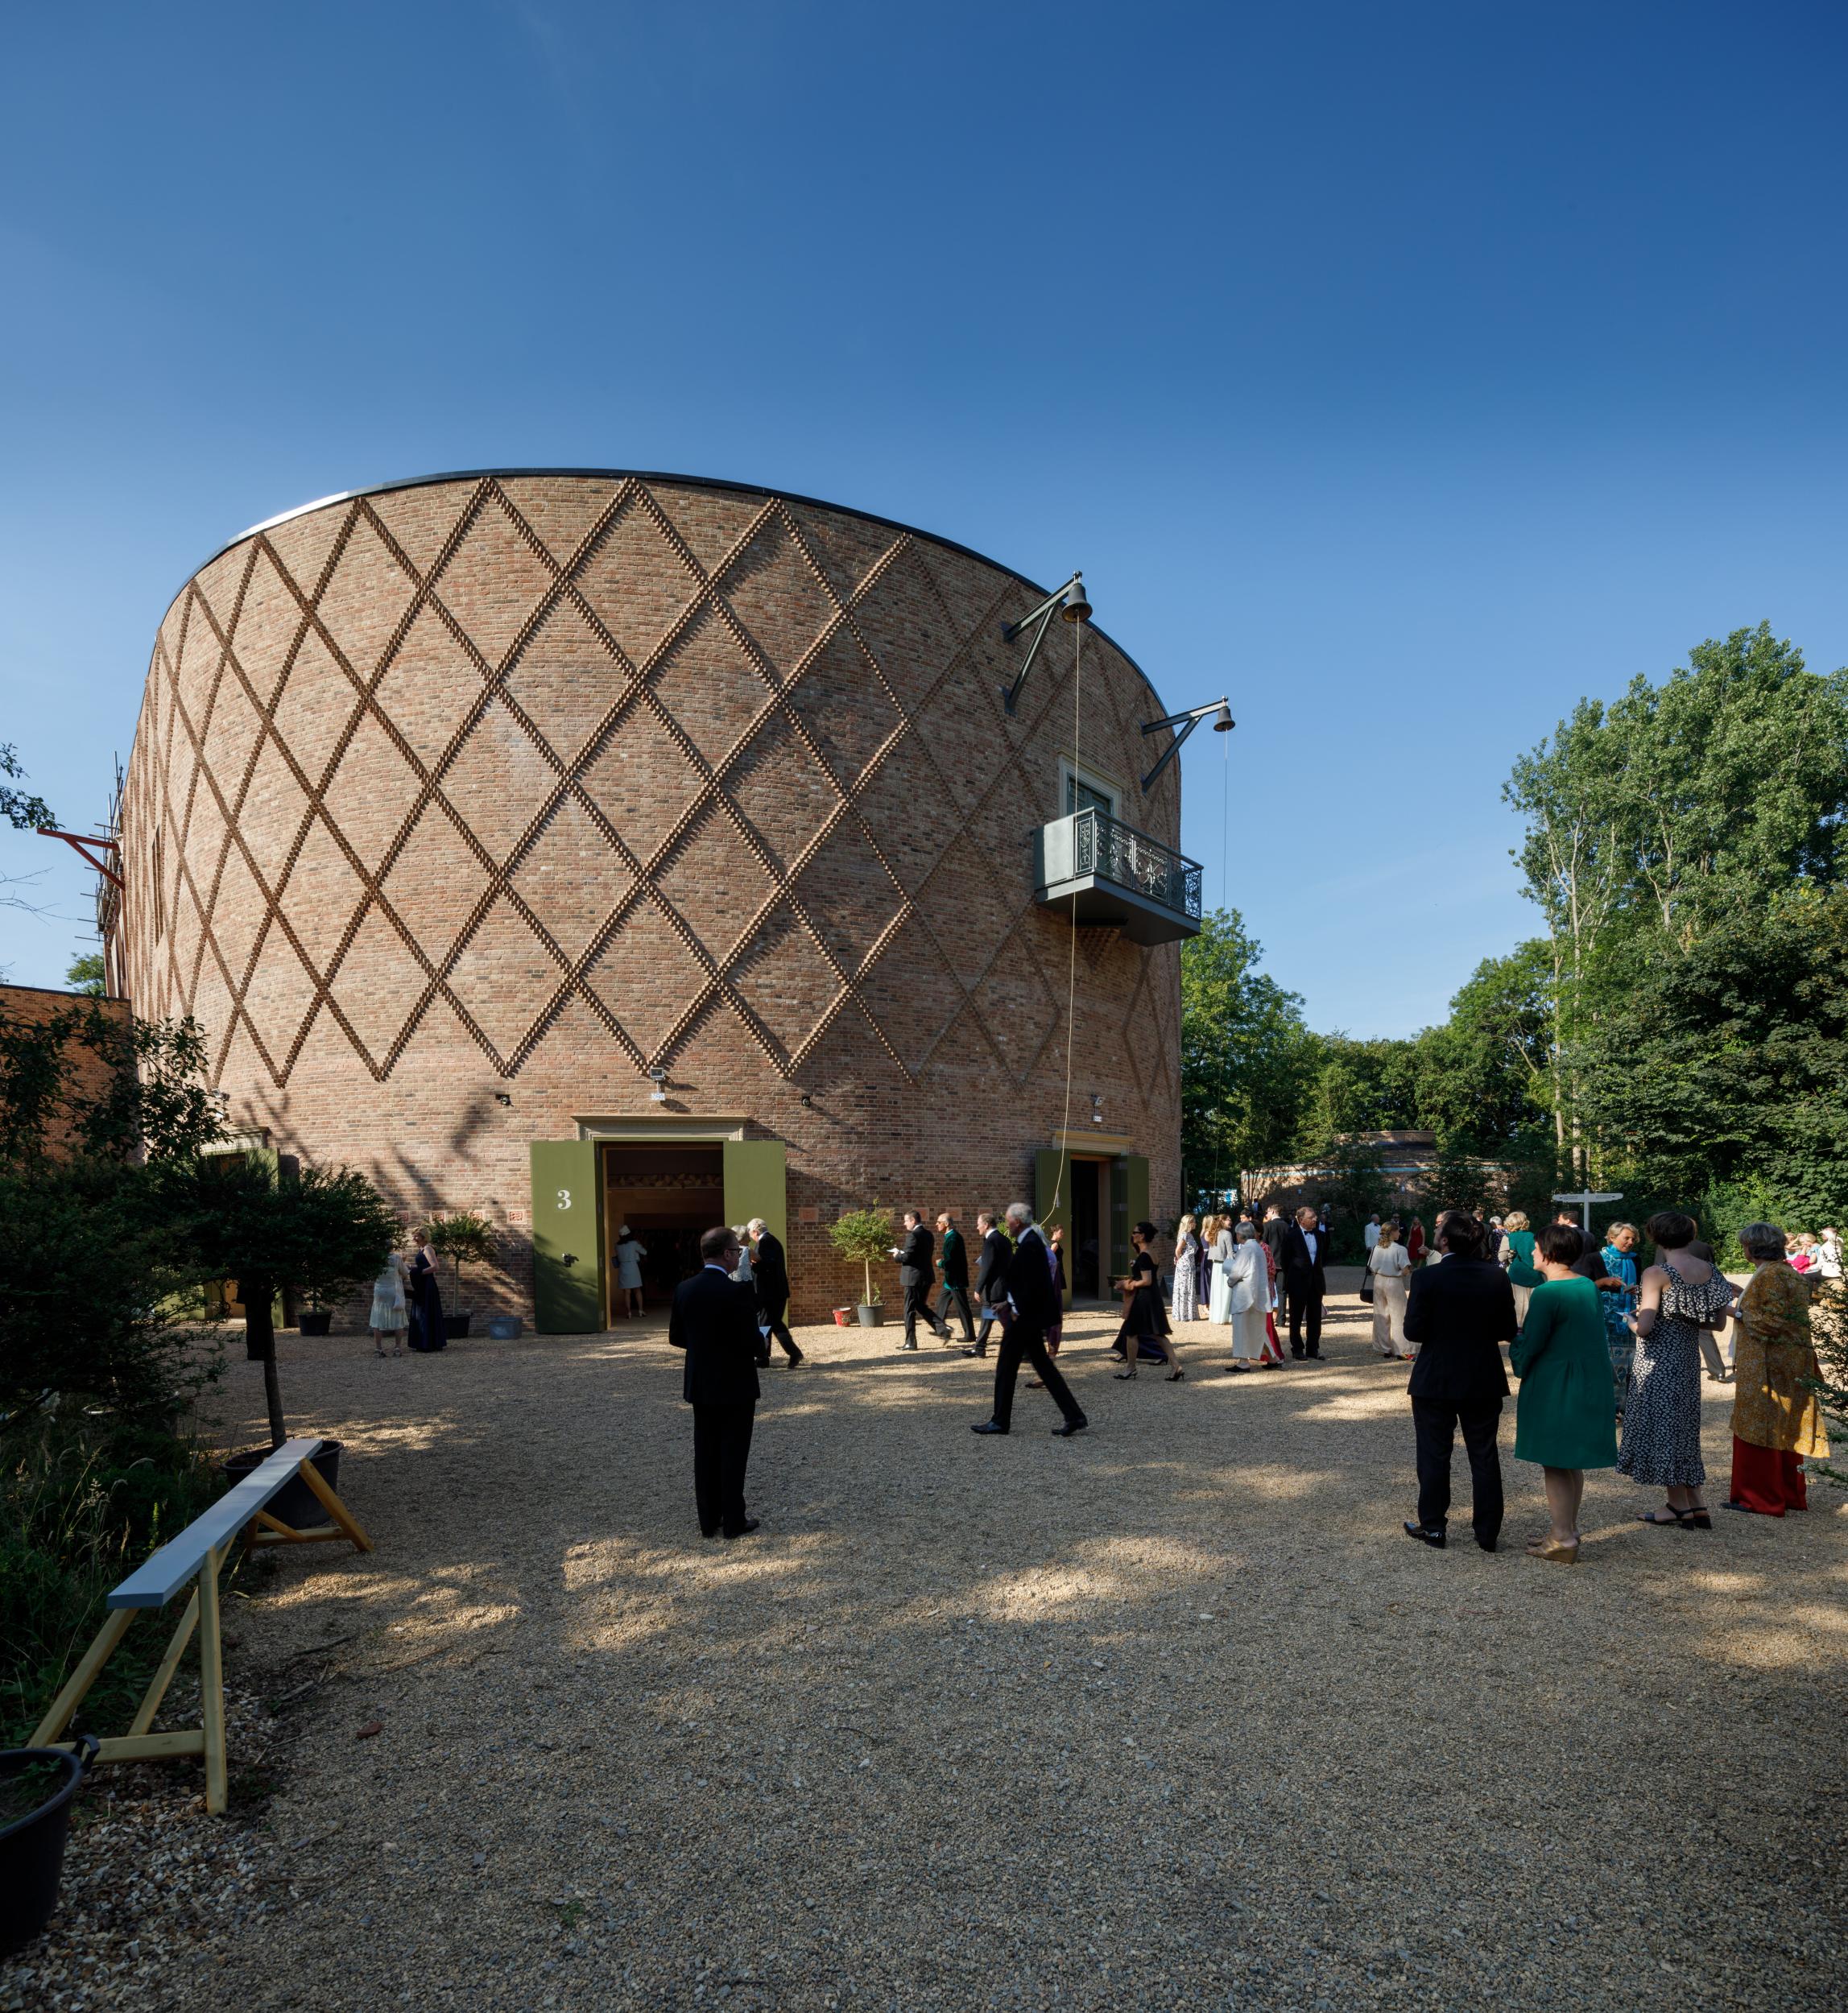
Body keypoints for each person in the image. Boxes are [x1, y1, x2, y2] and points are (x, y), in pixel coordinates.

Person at [1400, 1211, 1515, 1551]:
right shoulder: (1496, 1277)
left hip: (1436, 1375)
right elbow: (1507, 1330)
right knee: (1484, 1453)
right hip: (1482, 1373)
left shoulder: (1428, 1278)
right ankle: (1487, 1533)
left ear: (1446, 1241)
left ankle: (1434, 1527)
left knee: (1434, 1453)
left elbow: (1413, 1331)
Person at [1510, 1224, 1619, 1563]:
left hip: (1557, 1381)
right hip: (1586, 1376)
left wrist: (1516, 1353)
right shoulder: (1585, 1284)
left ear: (1549, 1252)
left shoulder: (1548, 1293)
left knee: (1555, 1459)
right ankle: (1566, 1528)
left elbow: (1533, 1342)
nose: (1531, 1252)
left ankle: (1561, 1539)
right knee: (1570, 1460)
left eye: (1536, 1247)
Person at [1619, 1210, 1734, 1527]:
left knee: (1664, 1428)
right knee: (1683, 1428)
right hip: (1686, 1358)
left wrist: (1631, 1319)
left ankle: (1678, 1506)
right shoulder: (1709, 1269)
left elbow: (1644, 1328)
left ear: (1655, 1236)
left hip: (1657, 1360)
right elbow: (1718, 1322)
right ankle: (1696, 1503)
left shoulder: (1657, 1273)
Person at [1726, 1222, 1830, 1517]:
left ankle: (1760, 1498)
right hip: (1787, 1360)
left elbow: (1770, 1323)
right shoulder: (1786, 1272)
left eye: (1745, 1245)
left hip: (1767, 1364)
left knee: (1760, 1426)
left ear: (1753, 1248)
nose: (1743, 1249)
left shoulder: (1770, 1274)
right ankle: (1787, 1493)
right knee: (1784, 1427)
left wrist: (1733, 1310)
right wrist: (1742, 1294)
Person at [668, 1226, 763, 1539]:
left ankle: (708, 1520)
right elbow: (753, 1342)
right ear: (725, 1254)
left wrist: (705, 1347)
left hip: (701, 1382)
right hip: (735, 1383)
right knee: (733, 1453)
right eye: (736, 1251)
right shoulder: (737, 1291)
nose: (738, 1256)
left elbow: (677, 1337)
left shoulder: (684, 1289)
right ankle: (734, 1521)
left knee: (706, 1452)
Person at [971, 1204, 1088, 1437]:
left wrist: (1015, 1308)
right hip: (1029, 1316)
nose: (1007, 1225)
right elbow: (1025, 1282)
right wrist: (1009, 1303)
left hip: (1025, 1318)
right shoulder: (1030, 1241)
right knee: (1044, 1367)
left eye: (1008, 1221)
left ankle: (1000, 1421)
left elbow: (1033, 1285)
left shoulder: (1030, 1244)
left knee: (1006, 1367)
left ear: (1018, 1222)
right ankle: (1074, 1416)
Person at [1113, 1221, 1184, 1381]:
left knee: (1131, 1333)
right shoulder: (1150, 1253)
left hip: (1143, 1299)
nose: (1132, 1235)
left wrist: (1127, 1284)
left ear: (1142, 1235)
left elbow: (1147, 1280)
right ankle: (1176, 1366)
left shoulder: (1145, 1256)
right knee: (1158, 1333)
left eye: (1135, 1232)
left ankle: (1130, 1368)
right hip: (1153, 1297)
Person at [748, 1218, 802, 1368]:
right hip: (776, 1292)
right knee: (775, 1324)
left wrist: (753, 1265)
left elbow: (768, 1265)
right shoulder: (772, 1241)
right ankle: (790, 1354)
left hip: (770, 1293)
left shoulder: (766, 1242)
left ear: (755, 1231)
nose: (750, 1236)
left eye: (750, 1232)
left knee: (765, 1324)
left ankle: (763, 1358)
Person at [1280, 1206, 1328, 1359]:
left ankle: (1313, 1348)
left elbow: (1323, 1257)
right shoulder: (1291, 1236)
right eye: (1311, 1217)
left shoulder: (1321, 1236)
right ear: (1301, 1220)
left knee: (1315, 1318)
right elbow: (1285, 1261)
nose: (1315, 1219)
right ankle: (1297, 1349)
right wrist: (1293, 1278)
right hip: (1297, 1282)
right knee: (1296, 1318)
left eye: (1315, 1217)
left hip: (1316, 1282)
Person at [894, 1209, 945, 1350]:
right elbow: (919, 1255)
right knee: (920, 1306)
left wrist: (897, 1256)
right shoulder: (929, 1234)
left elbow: (907, 1257)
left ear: (913, 1220)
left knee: (909, 1309)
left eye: (906, 1221)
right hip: (926, 1276)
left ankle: (911, 1342)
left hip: (912, 1278)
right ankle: (943, 1329)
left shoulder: (913, 1236)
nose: (905, 1224)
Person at [1223, 1222, 1271, 1371]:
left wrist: (1230, 1281)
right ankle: (1273, 1358)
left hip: (1245, 1295)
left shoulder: (1246, 1250)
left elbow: (1237, 1273)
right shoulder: (1258, 1247)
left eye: (1237, 1233)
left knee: (1242, 1329)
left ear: (1241, 1234)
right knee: (1257, 1329)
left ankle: (1243, 1362)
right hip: (1258, 1294)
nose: (1236, 1236)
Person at [963, 1209, 1011, 1358]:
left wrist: (978, 1288)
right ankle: (980, 1348)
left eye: (978, 1225)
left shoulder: (991, 1241)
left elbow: (987, 1267)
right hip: (1003, 1286)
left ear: (986, 1225)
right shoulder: (1005, 1240)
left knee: (1006, 1323)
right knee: (988, 1318)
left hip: (993, 1289)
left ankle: (1026, 1351)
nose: (977, 1227)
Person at [1367, 1221, 1413, 1361]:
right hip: (1394, 1281)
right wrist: (1406, 1272)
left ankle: (1384, 1348)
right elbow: (1405, 1269)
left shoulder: (1377, 1248)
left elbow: (1371, 1267)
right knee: (1399, 1315)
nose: (1399, 1233)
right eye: (1398, 1231)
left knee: (1381, 1314)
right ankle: (1402, 1350)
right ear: (1392, 1232)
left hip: (1379, 1281)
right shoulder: (1400, 1249)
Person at [935, 1212, 975, 1345]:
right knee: (941, 1302)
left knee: (963, 1308)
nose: (936, 1224)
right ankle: (942, 1330)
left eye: (939, 1222)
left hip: (956, 1281)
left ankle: (970, 1335)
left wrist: (941, 1263)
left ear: (946, 1224)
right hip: (950, 1281)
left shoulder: (953, 1238)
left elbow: (952, 1262)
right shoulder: (951, 1237)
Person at [1500, 1210, 1541, 1329]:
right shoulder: (1533, 1236)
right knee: (1534, 1304)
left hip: (1517, 1275)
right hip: (1536, 1274)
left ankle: (1519, 1330)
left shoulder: (1508, 1238)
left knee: (1519, 1305)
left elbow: (1501, 1257)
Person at [407, 1238, 446, 1352]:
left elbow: (435, 1267)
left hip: (427, 1285)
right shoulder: (421, 1249)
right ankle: (423, 1342)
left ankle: (429, 1343)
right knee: (421, 1312)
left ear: (423, 1237)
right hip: (422, 1284)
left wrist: (418, 1272)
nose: (414, 1239)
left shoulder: (428, 1248)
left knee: (425, 1311)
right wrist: (413, 1269)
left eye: (416, 1236)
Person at [370, 1250, 410, 1358]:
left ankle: (378, 1349)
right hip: (394, 1291)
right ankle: (397, 1348)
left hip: (379, 1291)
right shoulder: (396, 1258)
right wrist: (404, 1261)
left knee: (378, 1319)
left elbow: (371, 1275)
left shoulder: (375, 1258)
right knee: (398, 1318)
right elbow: (405, 1274)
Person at [1206, 1213, 1236, 1327]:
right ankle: (1225, 1316)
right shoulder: (1227, 1234)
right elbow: (1230, 1252)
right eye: (1229, 1219)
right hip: (1225, 1264)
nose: (1231, 1221)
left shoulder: (1213, 1233)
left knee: (1217, 1291)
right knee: (1226, 1291)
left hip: (1216, 1266)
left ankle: (1216, 1316)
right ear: (1223, 1221)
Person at [613, 1223, 648, 1319]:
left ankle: (628, 1312)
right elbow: (644, 1252)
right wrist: (639, 1244)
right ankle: (640, 1311)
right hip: (633, 1267)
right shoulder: (634, 1244)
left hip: (623, 1268)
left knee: (627, 1292)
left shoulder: (617, 1245)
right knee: (637, 1290)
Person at [1171, 1214, 1201, 1323]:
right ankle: (1183, 1314)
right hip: (1185, 1264)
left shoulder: (1189, 1235)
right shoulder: (1185, 1235)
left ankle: (1188, 1313)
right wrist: (1180, 1260)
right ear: (1189, 1223)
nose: (1196, 1224)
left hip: (1189, 1263)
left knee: (1188, 1287)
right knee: (1184, 1288)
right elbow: (1178, 1250)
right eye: (1194, 1222)